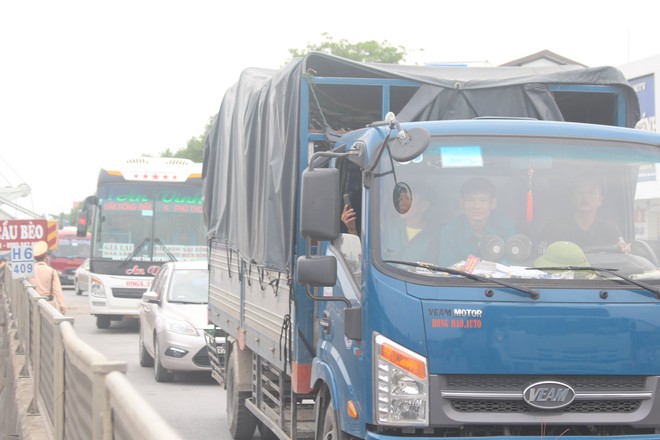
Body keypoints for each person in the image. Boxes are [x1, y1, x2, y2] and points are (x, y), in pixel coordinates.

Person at [341, 183, 439, 264]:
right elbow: (362, 259)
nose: (401, 203)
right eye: (401, 198)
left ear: (424, 206)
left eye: (408, 198)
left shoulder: (435, 237)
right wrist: (352, 229)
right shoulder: (387, 228)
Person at [539, 176, 628, 253]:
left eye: (591, 192)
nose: (585, 196)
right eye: (580, 192)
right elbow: (540, 257)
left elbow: (623, 251)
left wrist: (623, 248)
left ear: (600, 200)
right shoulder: (554, 229)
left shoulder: (610, 229)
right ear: (572, 198)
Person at [438, 177, 516, 266]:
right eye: (470, 200)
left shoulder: (505, 227)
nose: (476, 206)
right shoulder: (450, 231)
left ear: (493, 204)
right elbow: (447, 268)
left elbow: (509, 265)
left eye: (483, 200)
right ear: (462, 204)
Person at [28, 241, 66, 314]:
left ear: (34, 257)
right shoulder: (51, 271)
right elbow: (57, 290)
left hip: (33, 304)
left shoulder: (29, 271)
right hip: (48, 305)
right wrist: (62, 305)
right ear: (45, 256)